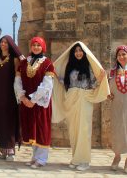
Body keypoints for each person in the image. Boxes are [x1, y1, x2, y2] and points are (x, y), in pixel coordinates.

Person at [52, 41, 108, 171]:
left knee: (84, 130)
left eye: (80, 51)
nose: (78, 53)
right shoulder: (69, 67)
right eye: (76, 51)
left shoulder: (88, 67)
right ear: (73, 53)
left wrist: (100, 79)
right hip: (71, 101)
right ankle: (75, 158)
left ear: (84, 53)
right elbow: (65, 83)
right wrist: (55, 75)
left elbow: (92, 84)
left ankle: (84, 161)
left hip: (84, 99)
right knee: (74, 131)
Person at [14, 36, 54, 168]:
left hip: (40, 102)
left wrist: (33, 99)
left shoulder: (47, 63)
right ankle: (35, 157)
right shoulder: (24, 63)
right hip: (27, 102)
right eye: (34, 45)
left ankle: (41, 159)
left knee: (41, 129)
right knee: (32, 129)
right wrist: (22, 97)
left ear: (43, 47)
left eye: (38, 45)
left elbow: (47, 85)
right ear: (31, 47)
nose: (36, 47)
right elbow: (18, 81)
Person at [108, 45, 127, 173]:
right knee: (117, 130)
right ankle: (117, 156)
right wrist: (108, 94)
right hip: (116, 106)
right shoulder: (112, 72)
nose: (121, 57)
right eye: (119, 55)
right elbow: (106, 88)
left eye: (124, 54)